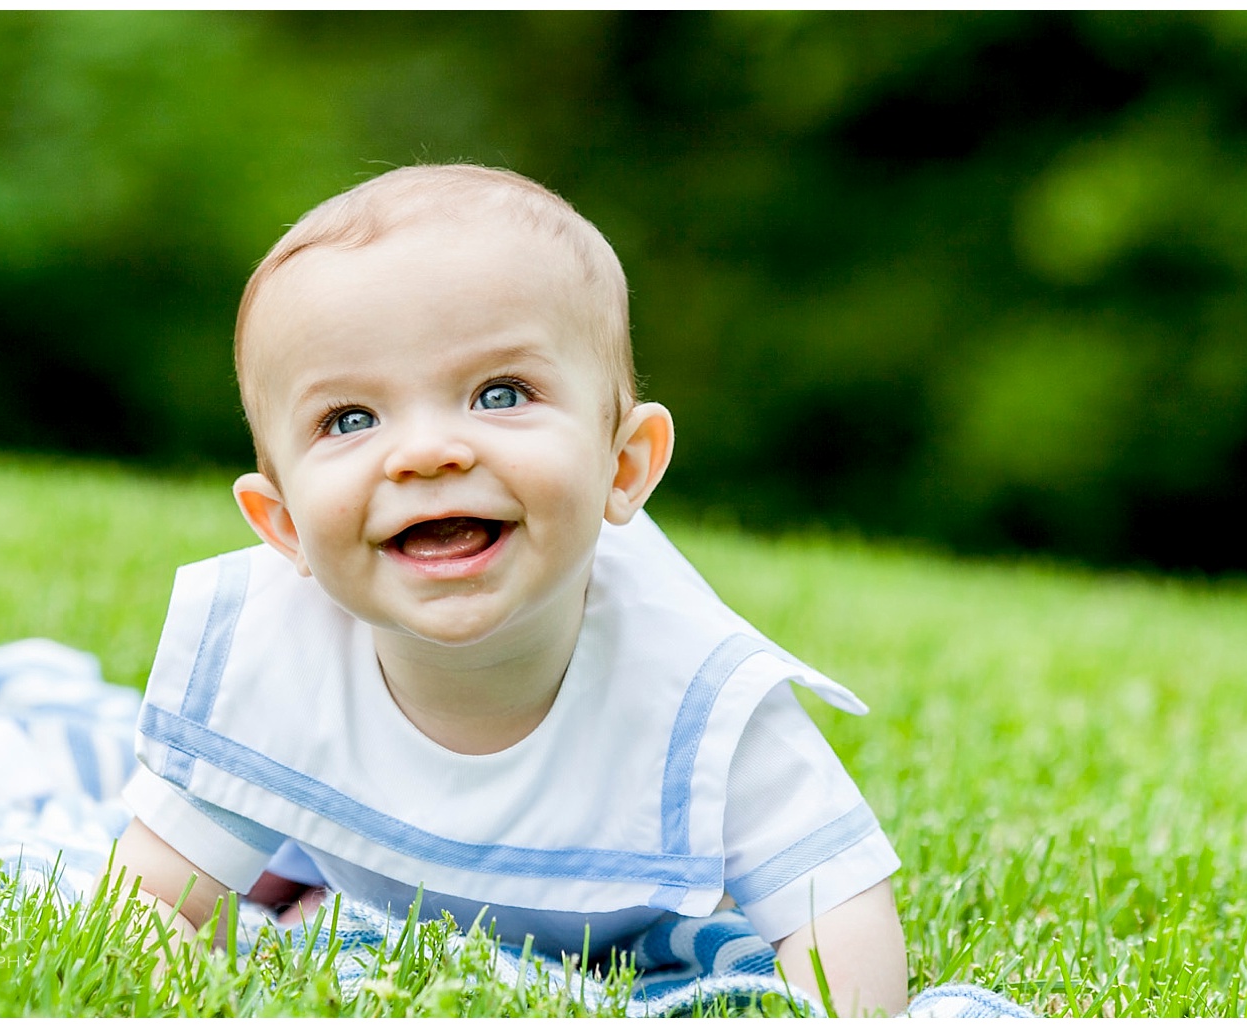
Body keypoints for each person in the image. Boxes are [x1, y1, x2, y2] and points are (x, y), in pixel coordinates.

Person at [111, 164, 909, 1016]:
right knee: (261, 845)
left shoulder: (693, 693)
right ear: (282, 528)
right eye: (350, 419)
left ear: (624, 466)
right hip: (359, 857)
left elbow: (837, 906)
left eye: (500, 394)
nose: (426, 452)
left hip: (616, 919)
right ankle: (292, 853)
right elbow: (152, 906)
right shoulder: (272, 653)